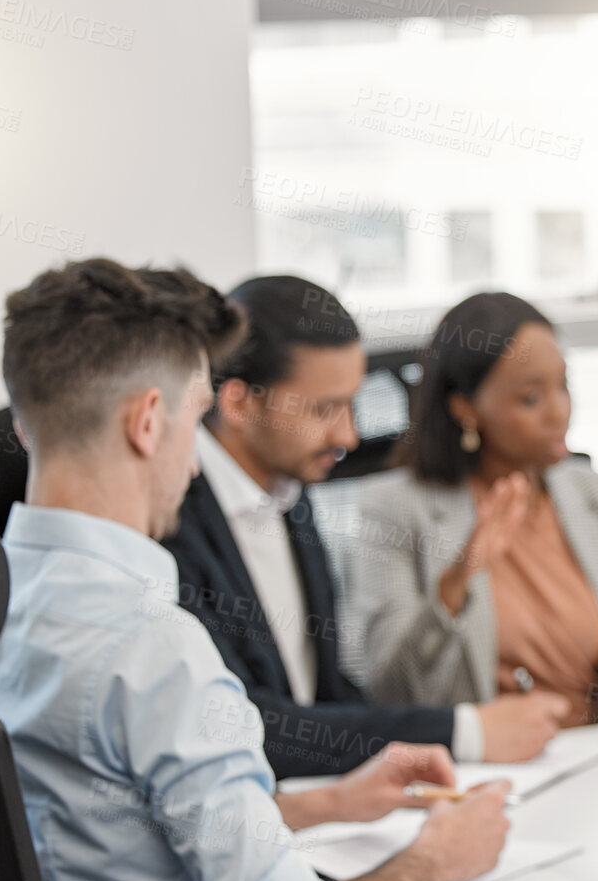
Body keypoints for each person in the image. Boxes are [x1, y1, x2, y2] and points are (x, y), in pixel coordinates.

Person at [0, 258, 598, 881]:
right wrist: (433, 858)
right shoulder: (151, 646)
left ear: (26, 417)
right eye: (191, 418)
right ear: (149, 421)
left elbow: (81, 818)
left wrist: (316, 805)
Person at [162, 274, 568, 778]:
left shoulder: (291, 492)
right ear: (240, 403)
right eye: (324, 409)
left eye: (351, 404)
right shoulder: (168, 513)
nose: (348, 435)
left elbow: (329, 696)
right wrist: (465, 731)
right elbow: (245, 723)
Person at [353, 292, 598, 727]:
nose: (559, 412)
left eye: (564, 386)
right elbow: (389, 692)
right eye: (531, 398)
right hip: (487, 772)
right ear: (465, 408)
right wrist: (459, 579)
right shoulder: (394, 510)